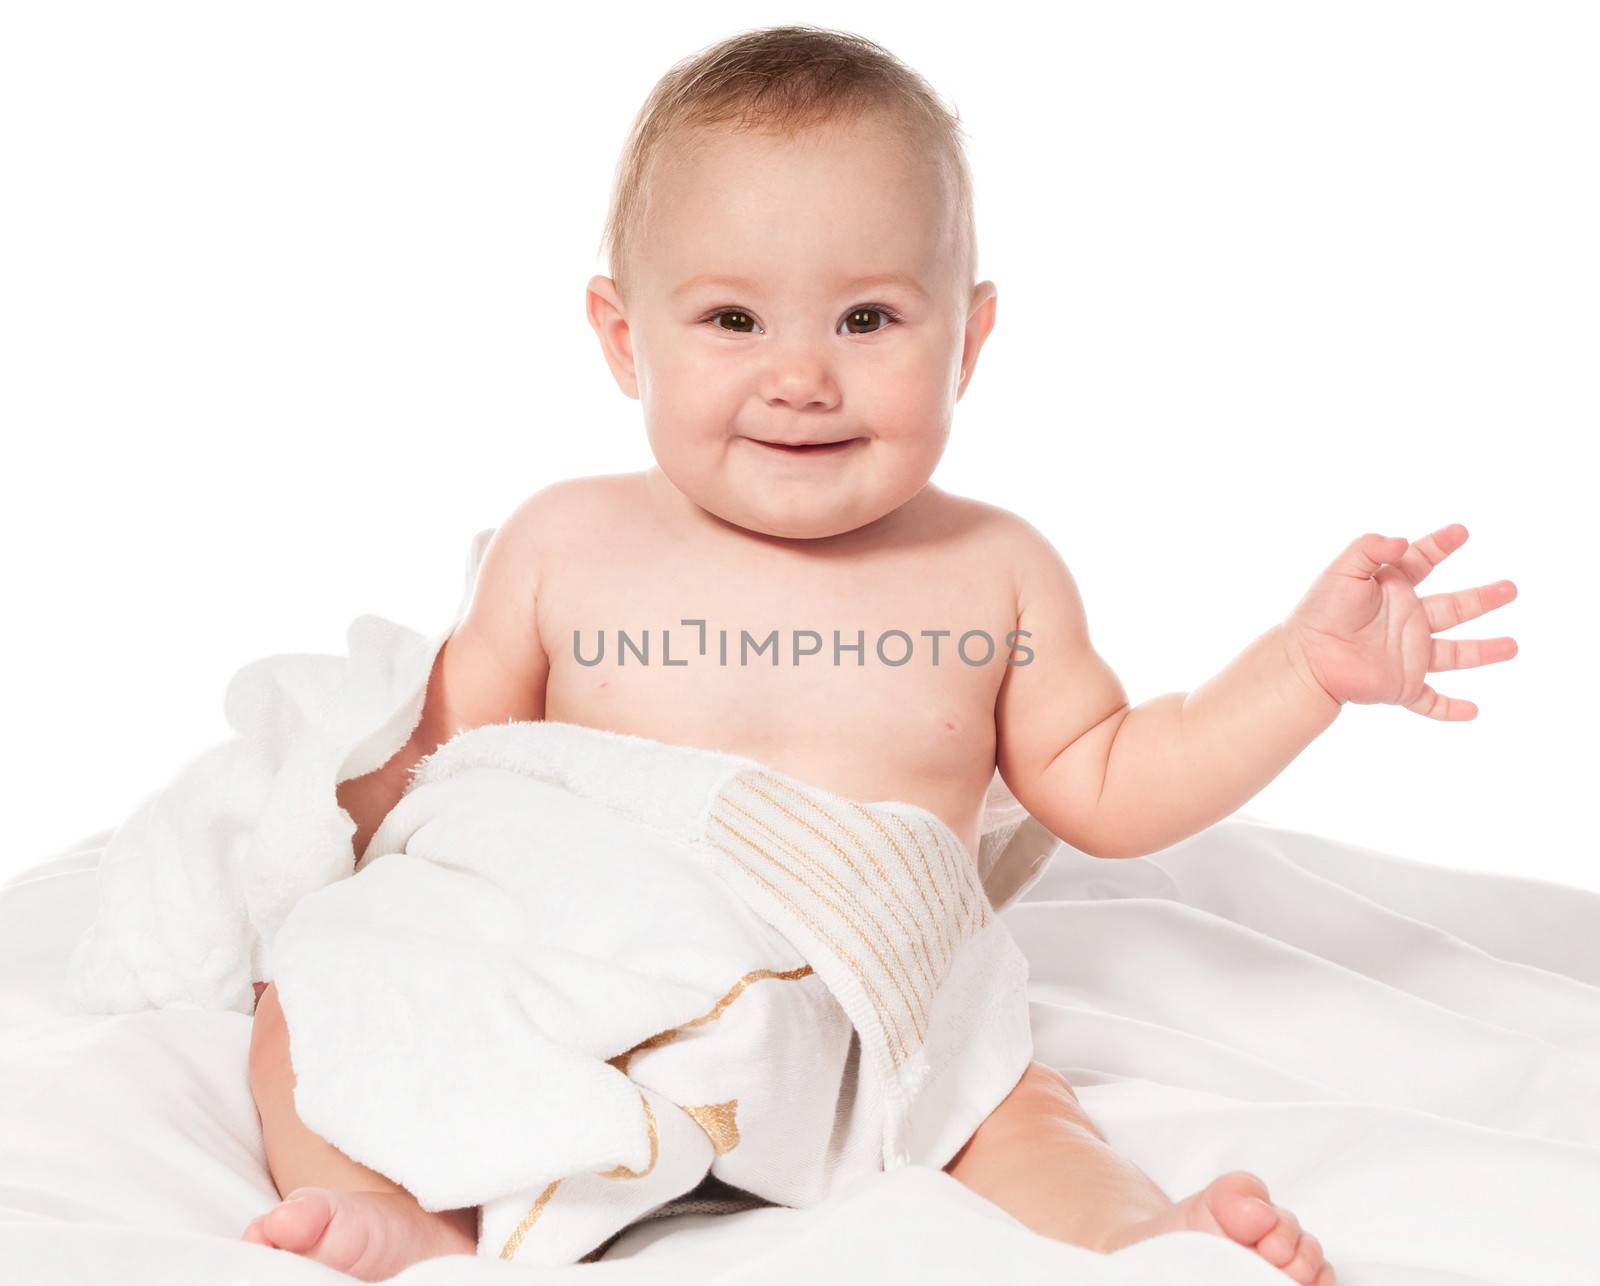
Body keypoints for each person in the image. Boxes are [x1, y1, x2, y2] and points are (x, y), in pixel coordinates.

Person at [242, 24, 1517, 1284]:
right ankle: (401, 1210)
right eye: (733, 317)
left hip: (852, 1014)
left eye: (865, 318)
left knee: (1010, 1104)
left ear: (966, 339)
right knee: (325, 991)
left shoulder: (994, 568)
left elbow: (1112, 779)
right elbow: (448, 774)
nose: (800, 376)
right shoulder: (563, 538)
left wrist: (1298, 675)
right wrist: (312, 850)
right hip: (582, 969)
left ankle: (1133, 1236)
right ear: (624, 335)